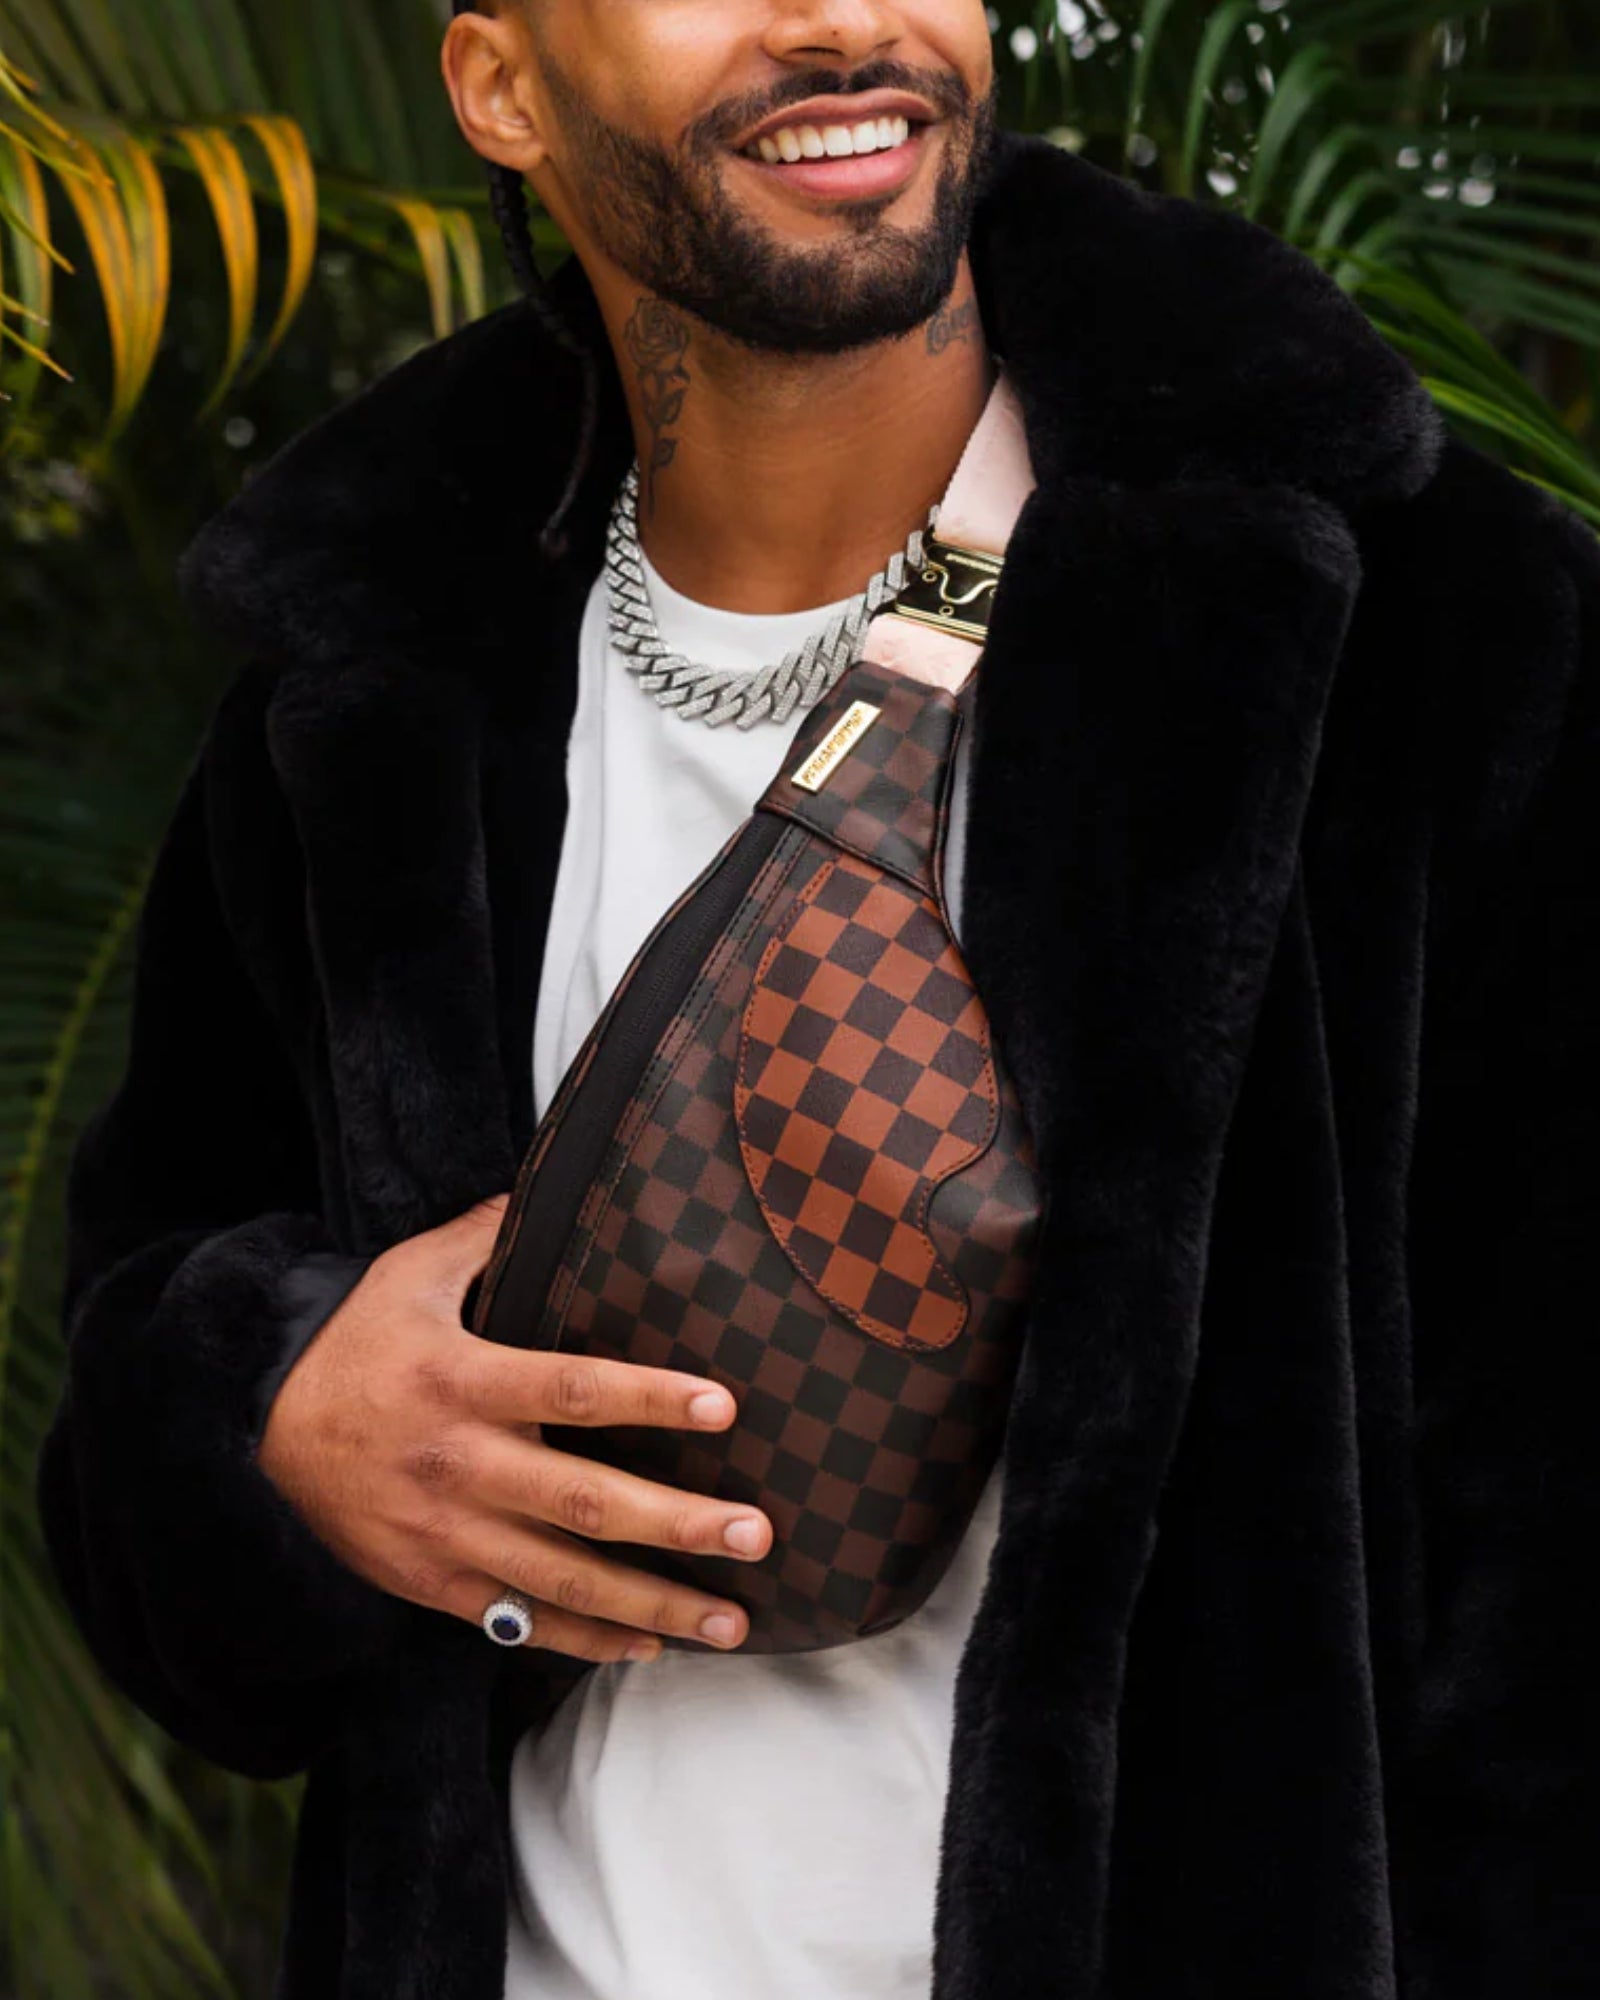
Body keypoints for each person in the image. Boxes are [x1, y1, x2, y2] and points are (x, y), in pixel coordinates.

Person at [36, 0, 1600, 1992]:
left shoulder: (1421, 634)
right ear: (503, 86)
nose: (842, 22)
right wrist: (277, 1426)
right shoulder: (364, 694)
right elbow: (138, 1460)